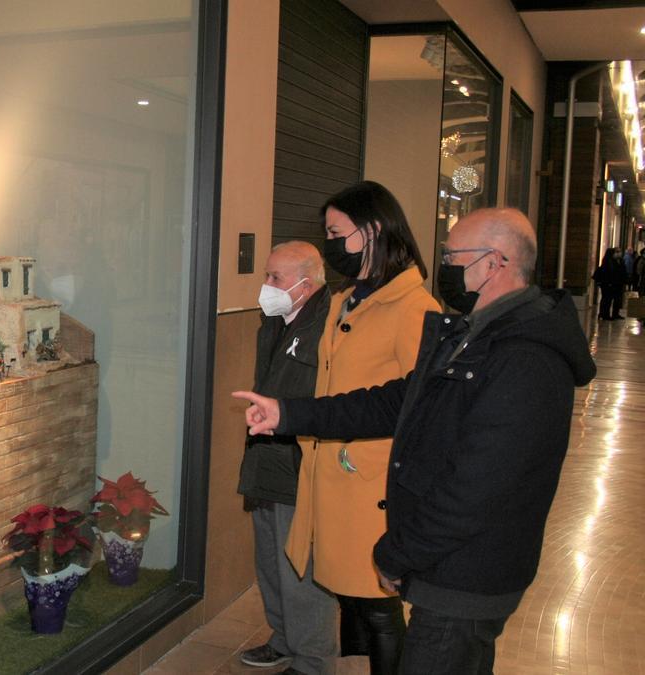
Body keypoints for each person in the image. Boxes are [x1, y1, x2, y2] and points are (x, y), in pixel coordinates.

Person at [237, 208, 596, 674]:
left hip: (466, 576)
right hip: (452, 569)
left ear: (495, 263)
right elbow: (393, 402)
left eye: (452, 256)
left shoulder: (523, 358)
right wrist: (288, 412)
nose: (442, 265)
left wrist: (399, 553)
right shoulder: (475, 336)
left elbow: (477, 486)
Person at [294, 181, 439, 674]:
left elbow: (420, 409)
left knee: (378, 604)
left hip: (371, 480)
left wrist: (365, 455)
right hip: (332, 473)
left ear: (372, 230)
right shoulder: (344, 300)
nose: (331, 244)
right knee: (350, 596)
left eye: (337, 233)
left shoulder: (416, 308)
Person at [235, 242, 336, 674]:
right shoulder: (274, 322)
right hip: (266, 458)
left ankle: (314, 660)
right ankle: (283, 639)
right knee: (271, 565)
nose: (266, 286)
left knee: (301, 572)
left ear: (306, 285)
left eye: (275, 278)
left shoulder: (330, 327)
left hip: (301, 466)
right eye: (266, 275)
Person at [593, 247, 628, 320]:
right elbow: (608, 273)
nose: (619, 253)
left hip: (617, 284)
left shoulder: (620, 261)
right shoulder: (608, 262)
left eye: (619, 252)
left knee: (616, 299)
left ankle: (614, 314)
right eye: (616, 252)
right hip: (608, 284)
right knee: (607, 299)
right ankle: (604, 314)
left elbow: (622, 271)